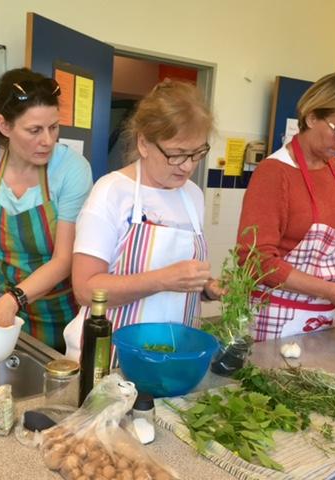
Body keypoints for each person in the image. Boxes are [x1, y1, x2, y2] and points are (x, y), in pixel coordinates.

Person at [65, 80, 222, 364]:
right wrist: (163, 279)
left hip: (173, 358)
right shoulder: (111, 192)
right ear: (143, 143)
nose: (187, 165)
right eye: (176, 154)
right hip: (109, 359)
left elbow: (181, 278)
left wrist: (206, 286)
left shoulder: (193, 196)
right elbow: (86, 289)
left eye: (197, 153)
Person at [237, 71, 335, 341]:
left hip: (330, 318)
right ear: (312, 117)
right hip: (278, 320)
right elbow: (255, 261)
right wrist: (329, 289)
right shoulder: (275, 173)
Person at [0, 68, 92, 352]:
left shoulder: (71, 169)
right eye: (34, 130)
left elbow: (64, 258)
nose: (48, 140)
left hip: (58, 314)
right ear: (4, 125)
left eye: (53, 127)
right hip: (0, 305)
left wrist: (14, 299)